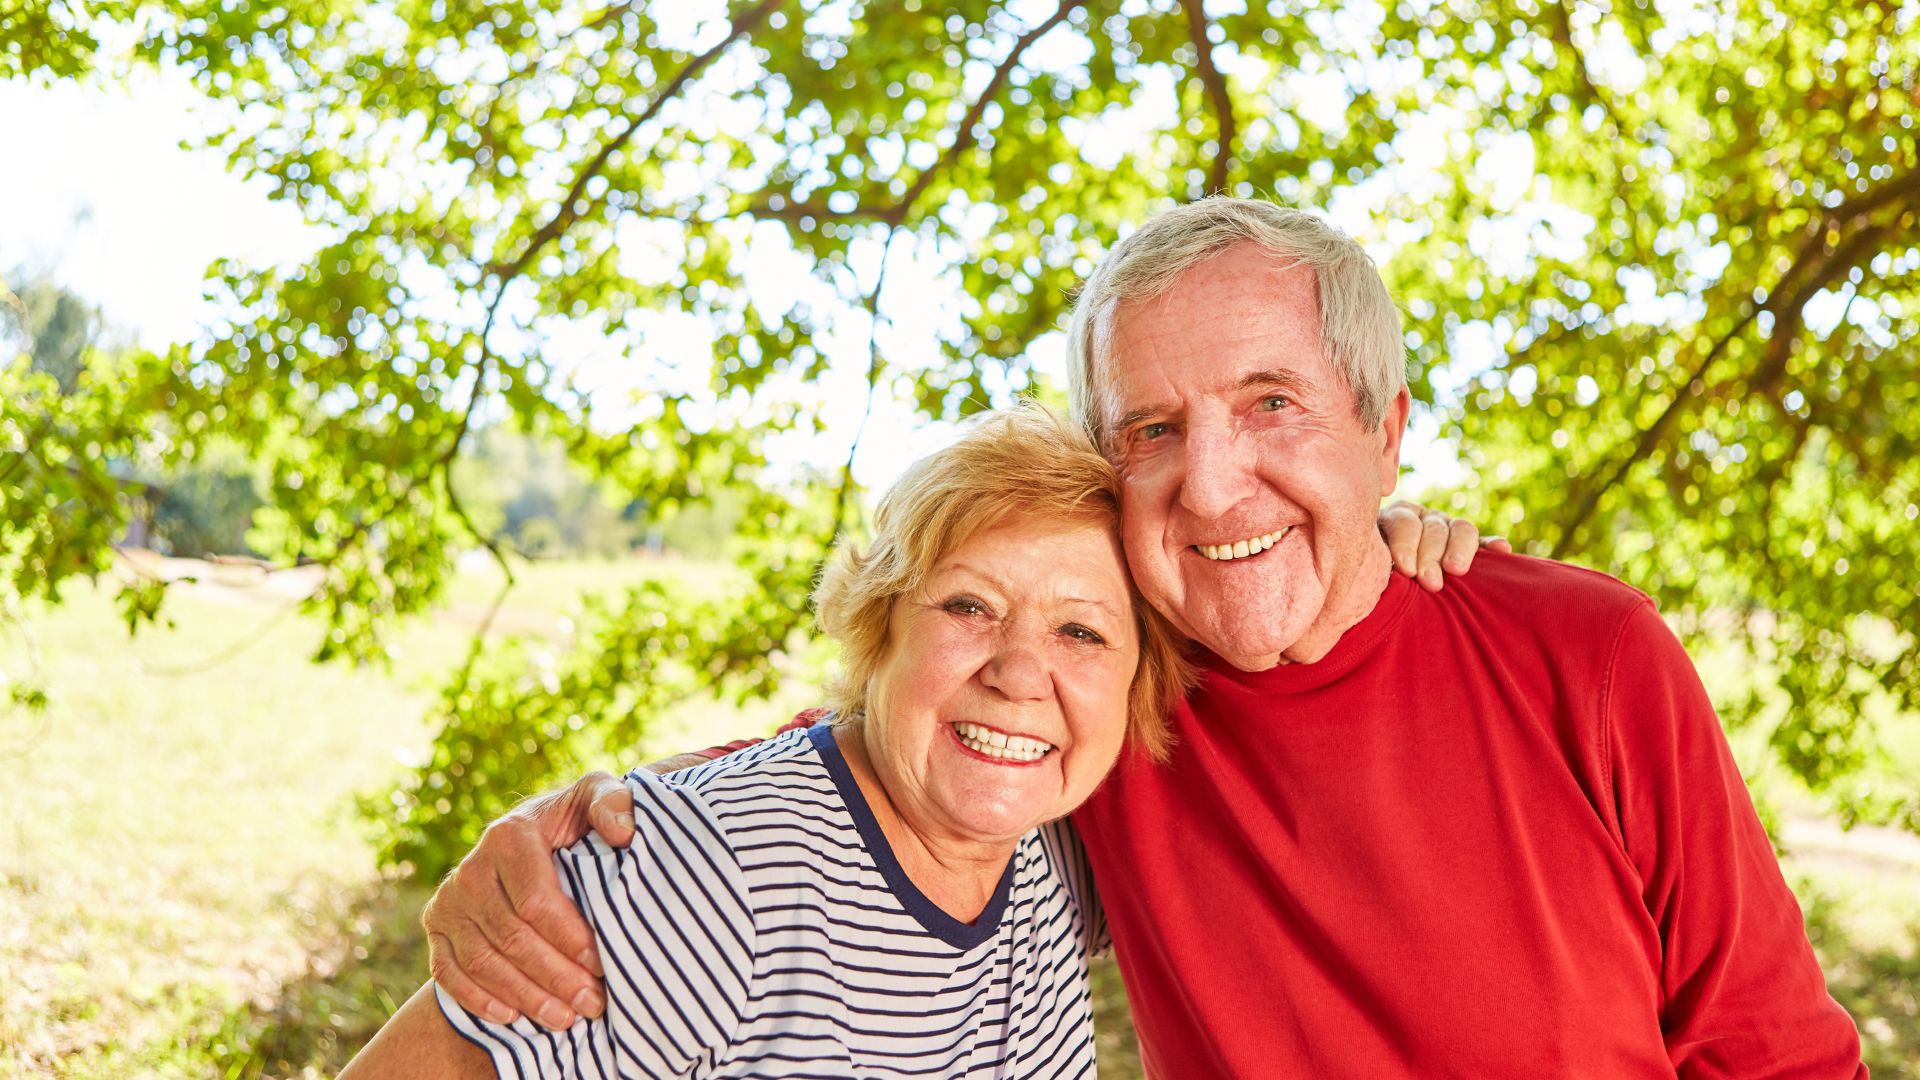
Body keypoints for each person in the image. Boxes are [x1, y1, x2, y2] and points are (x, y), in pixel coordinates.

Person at [428, 199, 1867, 1076]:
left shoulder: (1589, 653)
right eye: (1155, 431)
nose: (1213, 481)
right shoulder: (1122, 708)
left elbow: (1774, 1051)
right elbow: (904, 769)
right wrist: (592, 833)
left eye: (1272, 407)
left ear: (1386, 429)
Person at [341, 404, 1191, 1077]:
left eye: (1081, 633)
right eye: (968, 607)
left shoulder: (1060, 856)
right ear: (877, 627)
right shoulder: (705, 873)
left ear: (1134, 682)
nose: (1017, 672)